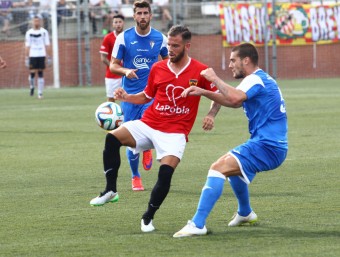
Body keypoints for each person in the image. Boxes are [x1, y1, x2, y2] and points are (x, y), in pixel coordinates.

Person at [90, 25, 221, 233]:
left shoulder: (200, 70)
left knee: (165, 174)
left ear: (187, 46)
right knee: (112, 139)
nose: (170, 49)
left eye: (175, 45)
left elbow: (218, 95)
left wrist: (211, 114)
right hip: (149, 123)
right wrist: (127, 98)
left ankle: (148, 217)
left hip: (175, 133)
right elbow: (146, 96)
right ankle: (111, 190)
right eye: (168, 44)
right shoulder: (158, 68)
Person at [173, 43, 288, 238]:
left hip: (268, 146)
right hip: (269, 144)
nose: (230, 65)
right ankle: (245, 213)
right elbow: (233, 100)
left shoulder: (255, 79)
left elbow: (234, 99)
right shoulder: (257, 80)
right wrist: (203, 92)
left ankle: (197, 224)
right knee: (234, 171)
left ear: (246, 60)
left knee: (218, 168)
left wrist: (213, 79)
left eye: (233, 60)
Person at [108, 0, 168, 191]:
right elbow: (113, 65)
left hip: (151, 95)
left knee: (152, 129)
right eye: (139, 13)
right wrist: (125, 71)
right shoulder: (124, 38)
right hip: (130, 96)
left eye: (145, 13)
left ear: (151, 16)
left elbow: (169, 62)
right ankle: (135, 176)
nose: (142, 17)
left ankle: (148, 148)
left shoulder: (160, 38)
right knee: (130, 137)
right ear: (133, 16)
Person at [99, 14, 125, 102]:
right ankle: (110, 116)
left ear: (123, 23)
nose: (118, 24)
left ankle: (126, 116)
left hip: (125, 75)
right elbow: (103, 57)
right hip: (112, 76)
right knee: (111, 99)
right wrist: (114, 67)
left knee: (128, 99)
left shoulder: (128, 37)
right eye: (116, 22)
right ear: (113, 24)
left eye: (120, 22)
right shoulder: (108, 38)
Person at [25, 15, 51, 99]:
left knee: (40, 73)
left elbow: (47, 45)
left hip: (41, 54)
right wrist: (26, 57)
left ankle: (40, 93)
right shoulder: (29, 33)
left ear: (40, 22)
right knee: (32, 73)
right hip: (33, 54)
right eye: (35, 21)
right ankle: (32, 86)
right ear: (32, 22)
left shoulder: (44, 32)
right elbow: (27, 46)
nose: (36, 22)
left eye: (38, 21)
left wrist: (49, 57)